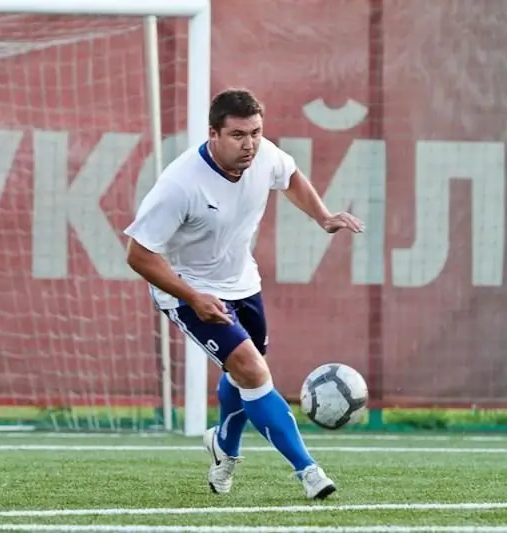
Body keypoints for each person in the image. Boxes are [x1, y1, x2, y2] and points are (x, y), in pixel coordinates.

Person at [124, 88, 364, 500]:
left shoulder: (264, 155)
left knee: (243, 375)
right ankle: (308, 471)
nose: (249, 143)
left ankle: (224, 446)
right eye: (237, 135)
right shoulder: (180, 185)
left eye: (255, 132)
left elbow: (289, 177)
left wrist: (323, 217)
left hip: (243, 282)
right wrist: (193, 297)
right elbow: (139, 254)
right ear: (213, 133)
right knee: (252, 370)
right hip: (188, 290)